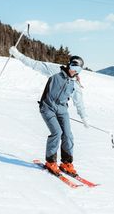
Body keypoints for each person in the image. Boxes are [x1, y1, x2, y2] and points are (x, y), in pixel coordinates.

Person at [9, 46, 89, 176]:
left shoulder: (75, 83)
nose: (75, 71)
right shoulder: (55, 71)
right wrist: (17, 55)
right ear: (69, 64)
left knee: (68, 135)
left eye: (78, 69)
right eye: (74, 67)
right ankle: (51, 161)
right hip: (47, 107)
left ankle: (66, 162)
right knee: (57, 132)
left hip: (62, 110)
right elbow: (34, 64)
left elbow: (79, 102)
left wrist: (84, 117)